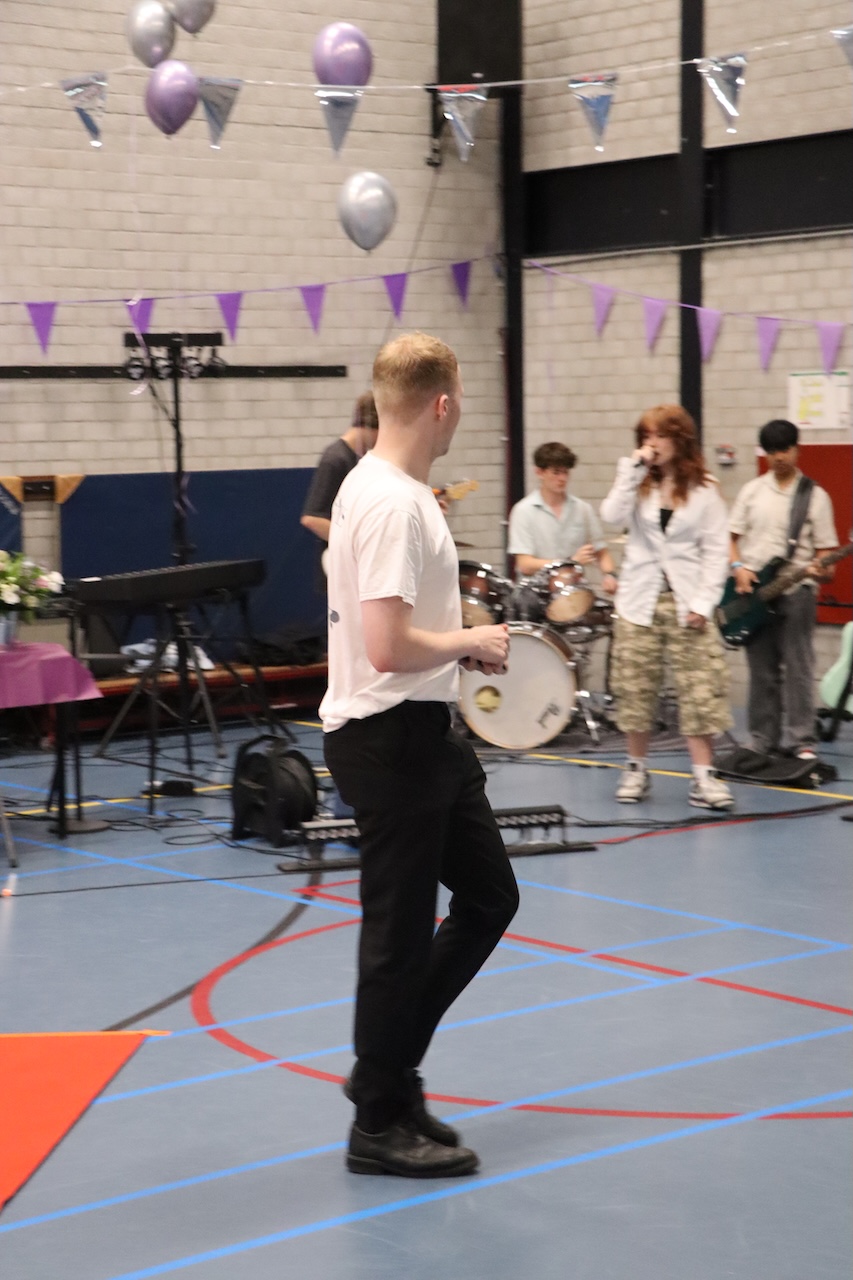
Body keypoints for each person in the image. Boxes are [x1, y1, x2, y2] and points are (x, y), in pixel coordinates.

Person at [321, 332, 519, 1179]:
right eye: (460, 397)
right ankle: (377, 1119)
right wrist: (468, 638)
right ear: (441, 403)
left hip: (422, 733)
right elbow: (387, 646)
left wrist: (454, 648)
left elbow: (400, 635)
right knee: (398, 937)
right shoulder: (393, 504)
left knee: (488, 897)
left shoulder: (384, 488)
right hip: (388, 738)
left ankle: (389, 1071)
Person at [600, 404, 734, 809]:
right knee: (635, 688)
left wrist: (704, 603)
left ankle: (704, 777)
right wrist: (632, 469)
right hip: (639, 601)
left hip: (687, 601)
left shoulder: (705, 490)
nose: (652, 443)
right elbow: (610, 516)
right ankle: (635, 769)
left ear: (680, 439)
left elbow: (716, 552)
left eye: (659, 436)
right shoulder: (637, 482)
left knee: (700, 689)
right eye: (646, 436)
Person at [728, 418, 838, 760]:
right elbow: (730, 539)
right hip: (756, 593)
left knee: (798, 667)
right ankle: (762, 738)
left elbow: (826, 557)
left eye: (785, 449)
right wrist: (738, 568)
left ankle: (801, 739)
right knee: (761, 670)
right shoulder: (751, 491)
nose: (779, 457)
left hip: (797, 591)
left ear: (796, 449)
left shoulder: (814, 496)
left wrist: (822, 570)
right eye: (772, 450)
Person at [507, 441, 618, 592]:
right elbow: (525, 565)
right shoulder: (523, 511)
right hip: (536, 594)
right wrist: (569, 563)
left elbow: (601, 552)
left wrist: (610, 575)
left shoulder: (582, 509)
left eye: (566, 472)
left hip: (574, 591)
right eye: (556, 472)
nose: (563, 478)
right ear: (539, 472)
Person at [300, 391, 379, 565]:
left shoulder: (362, 460)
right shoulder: (335, 459)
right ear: (369, 425)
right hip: (338, 565)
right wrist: (356, 544)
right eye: (381, 432)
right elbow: (312, 518)